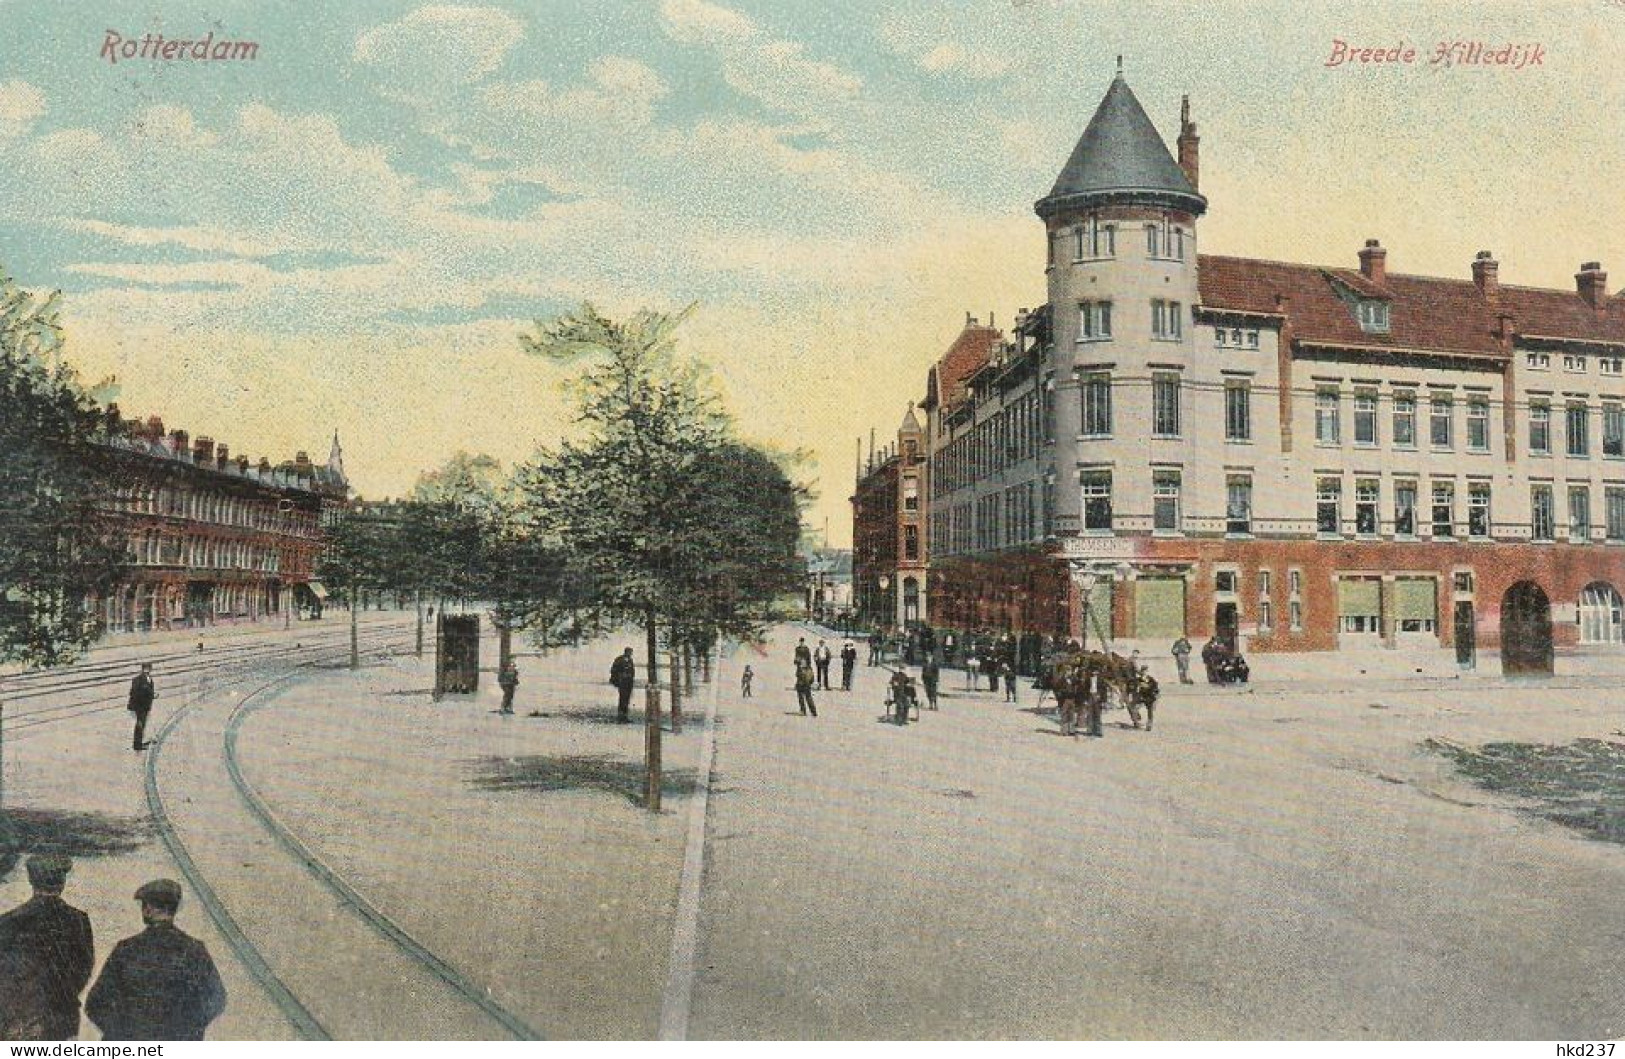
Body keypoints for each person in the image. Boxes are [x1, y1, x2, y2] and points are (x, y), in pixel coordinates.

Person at [86, 880, 226, 1042]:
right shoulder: (195, 951)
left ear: (148, 909)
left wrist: (121, 1033)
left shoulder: (126, 949)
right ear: (173, 910)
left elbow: (95, 1004)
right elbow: (216, 999)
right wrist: (188, 1031)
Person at [0, 855, 95, 1040]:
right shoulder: (78, 920)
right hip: (61, 1015)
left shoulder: (8, 921)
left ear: (30, 880)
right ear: (62, 882)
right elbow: (84, 967)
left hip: (16, 1018)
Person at [127, 663, 156, 752]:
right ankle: (137, 745)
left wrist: (152, 695)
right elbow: (133, 693)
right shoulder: (137, 680)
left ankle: (139, 743)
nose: (147, 670)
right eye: (145, 669)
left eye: (148, 669)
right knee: (139, 725)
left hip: (145, 706)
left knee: (142, 725)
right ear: (143, 669)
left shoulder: (149, 679)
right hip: (139, 707)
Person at [609, 648, 637, 722]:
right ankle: (620, 716)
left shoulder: (630, 660)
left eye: (631, 653)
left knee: (627, 699)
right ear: (626, 652)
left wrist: (631, 679)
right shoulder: (619, 659)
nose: (630, 654)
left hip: (629, 683)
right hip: (622, 682)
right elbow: (613, 670)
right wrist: (617, 679)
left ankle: (625, 716)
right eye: (629, 652)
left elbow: (632, 671)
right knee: (622, 699)